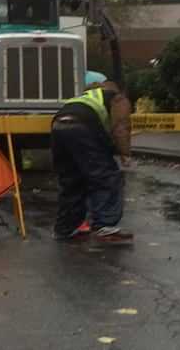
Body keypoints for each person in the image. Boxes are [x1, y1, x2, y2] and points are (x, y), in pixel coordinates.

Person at [50, 80, 133, 241]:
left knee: (71, 180)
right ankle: (106, 226)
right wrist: (125, 153)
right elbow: (121, 124)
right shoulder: (117, 98)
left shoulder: (83, 96)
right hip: (82, 127)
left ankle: (65, 228)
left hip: (58, 126)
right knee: (106, 176)